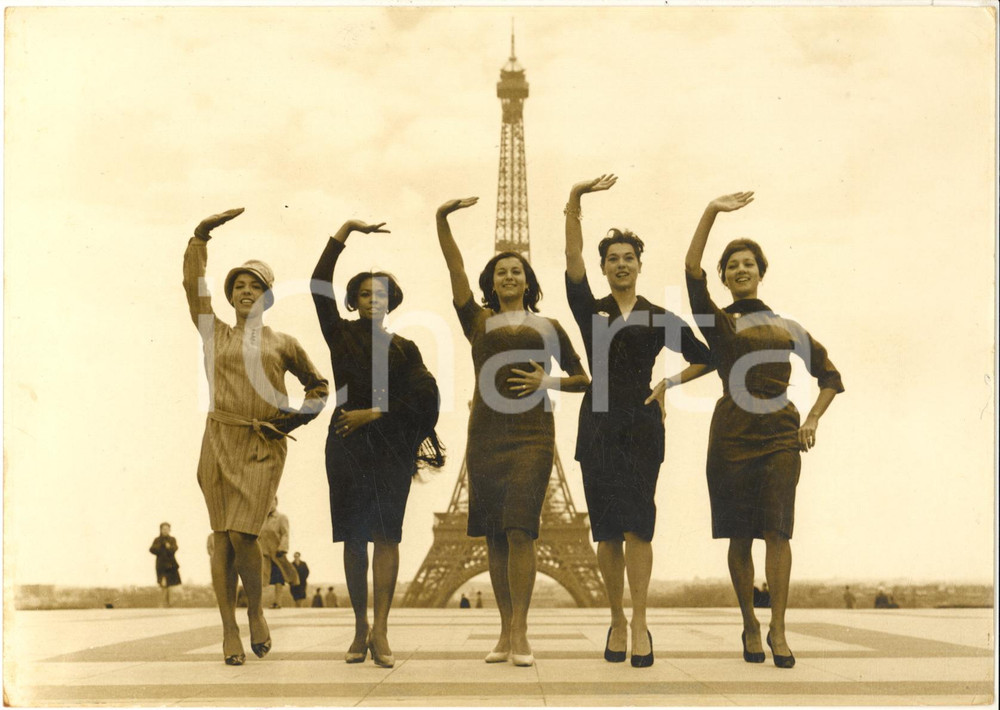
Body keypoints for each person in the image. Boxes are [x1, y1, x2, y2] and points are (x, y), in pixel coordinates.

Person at [683, 191, 844, 669]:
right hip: (731, 432)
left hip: (779, 432)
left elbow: (830, 376)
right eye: (731, 265)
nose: (739, 270)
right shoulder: (719, 323)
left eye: (747, 263)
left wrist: (812, 417)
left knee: (777, 530)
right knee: (738, 536)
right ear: (725, 277)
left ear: (760, 270)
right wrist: (710, 210)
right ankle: (749, 623)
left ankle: (777, 627)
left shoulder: (788, 326)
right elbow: (690, 274)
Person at [564, 175, 713, 668]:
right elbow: (571, 262)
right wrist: (574, 202)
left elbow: (706, 357)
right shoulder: (592, 312)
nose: (620, 264)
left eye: (628, 257)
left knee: (639, 529)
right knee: (606, 531)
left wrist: (668, 385)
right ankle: (615, 617)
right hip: (599, 426)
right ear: (604, 267)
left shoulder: (657, 316)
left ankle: (641, 620)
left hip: (642, 426)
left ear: (639, 265)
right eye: (613, 258)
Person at [435, 197, 590, 667]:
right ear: (491, 282)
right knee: (495, 538)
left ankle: (521, 632)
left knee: (522, 530)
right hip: (485, 435)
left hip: (532, 435)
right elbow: (455, 269)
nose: (508, 277)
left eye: (516, 271)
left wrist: (548, 381)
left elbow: (584, 379)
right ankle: (504, 632)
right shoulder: (477, 321)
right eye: (500, 271)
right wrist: (441, 220)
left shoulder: (549, 326)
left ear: (528, 281)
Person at [183, 208, 329, 666]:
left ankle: (256, 614)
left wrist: (292, 420)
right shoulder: (214, 332)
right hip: (218, 439)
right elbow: (193, 286)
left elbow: (319, 387)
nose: (246, 292)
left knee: (246, 534)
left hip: (263, 445)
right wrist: (200, 237)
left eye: (255, 286)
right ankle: (229, 628)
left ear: (268, 297)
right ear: (229, 297)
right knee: (222, 537)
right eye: (239, 286)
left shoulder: (282, 342)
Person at [312, 219, 444, 669]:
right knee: (354, 539)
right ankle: (358, 627)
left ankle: (382, 629)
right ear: (353, 301)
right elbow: (317, 283)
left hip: (388, 445)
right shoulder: (340, 334)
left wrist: (377, 412)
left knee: (387, 536)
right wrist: (344, 231)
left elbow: (427, 400)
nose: (374, 300)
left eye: (381, 294)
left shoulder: (406, 349)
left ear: (393, 302)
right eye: (366, 293)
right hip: (347, 444)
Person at [259, 497, 299, 608]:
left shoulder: (281, 518)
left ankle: (277, 602)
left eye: (272, 501)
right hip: (264, 553)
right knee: (262, 577)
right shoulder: (261, 519)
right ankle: (257, 604)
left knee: (279, 577)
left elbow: (285, 534)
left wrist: (282, 548)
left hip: (277, 553)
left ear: (276, 503)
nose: (270, 504)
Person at [149, 523, 181, 608]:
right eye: (163, 529)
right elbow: (152, 549)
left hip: (171, 565)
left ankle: (170, 604)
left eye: (167, 529)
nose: (165, 530)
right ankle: (163, 604)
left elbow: (175, 549)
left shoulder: (172, 539)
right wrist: (160, 546)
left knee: (171, 585)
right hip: (161, 565)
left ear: (169, 530)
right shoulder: (157, 539)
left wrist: (169, 547)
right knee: (163, 584)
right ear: (160, 530)